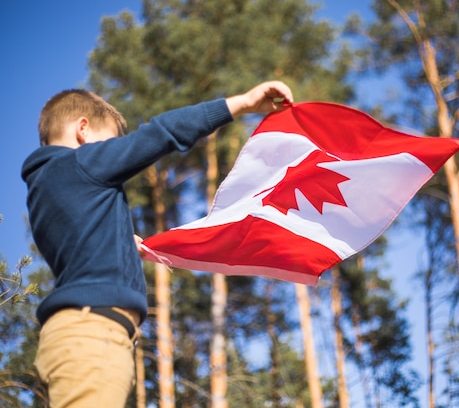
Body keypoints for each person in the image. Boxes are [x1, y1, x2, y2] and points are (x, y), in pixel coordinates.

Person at [21, 81, 293, 408]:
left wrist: (120, 241)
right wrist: (242, 103)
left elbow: (81, 244)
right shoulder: (79, 163)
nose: (113, 157)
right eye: (109, 144)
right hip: (92, 337)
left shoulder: (46, 187)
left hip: (76, 338)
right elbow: (160, 133)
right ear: (83, 130)